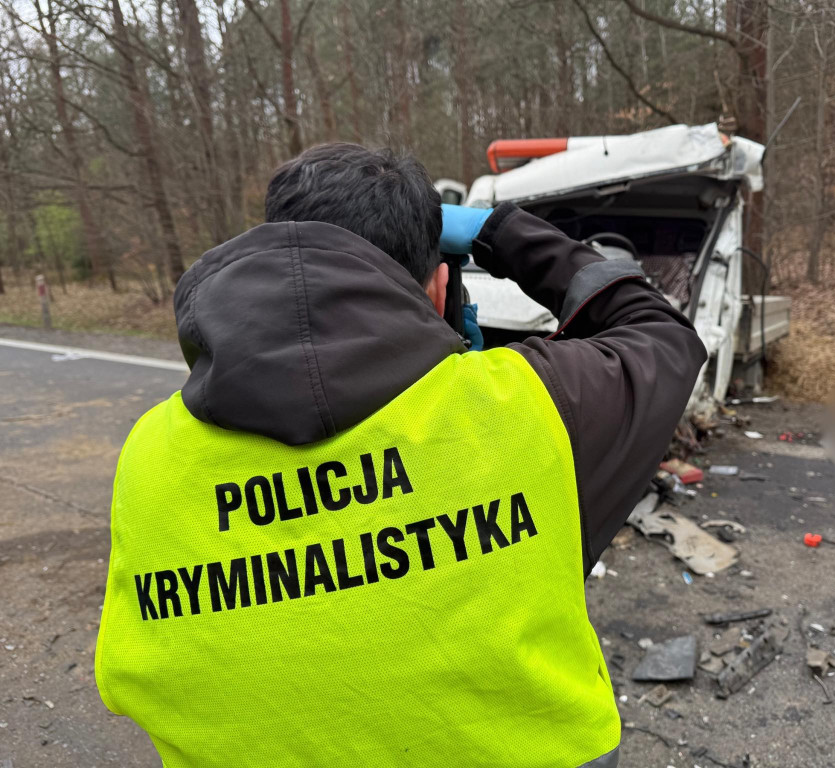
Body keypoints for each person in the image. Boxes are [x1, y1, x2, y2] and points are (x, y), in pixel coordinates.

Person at [94, 143, 707, 767]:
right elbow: (662, 337)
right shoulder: (528, 406)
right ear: (440, 284)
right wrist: (503, 232)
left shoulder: (149, 450)